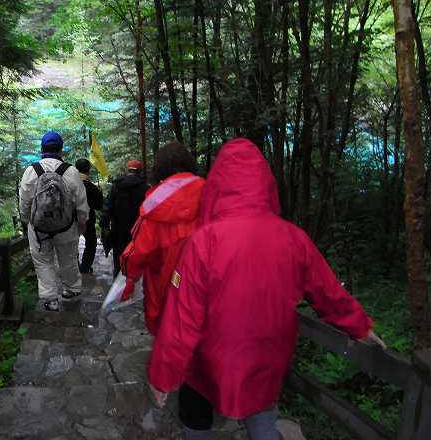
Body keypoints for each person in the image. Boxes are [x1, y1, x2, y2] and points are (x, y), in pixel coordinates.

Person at [147, 138, 386, 440]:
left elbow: (182, 319)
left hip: (210, 358)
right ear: (266, 184)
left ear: (216, 186)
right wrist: (360, 326)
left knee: (196, 413)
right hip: (266, 357)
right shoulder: (294, 238)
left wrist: (163, 376)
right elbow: (328, 293)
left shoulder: (204, 241)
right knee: (261, 413)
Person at [119, 142, 205, 335]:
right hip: (203, 282)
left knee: (170, 332)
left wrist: (130, 274)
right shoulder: (210, 192)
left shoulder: (156, 202)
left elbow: (140, 250)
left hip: (166, 283)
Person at [19, 131, 89, 312]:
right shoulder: (71, 171)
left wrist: (27, 220)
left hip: (39, 229)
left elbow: (25, 202)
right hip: (66, 226)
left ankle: (50, 299)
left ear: (42, 149)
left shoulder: (31, 171)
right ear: (60, 149)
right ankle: (71, 289)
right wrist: (82, 222)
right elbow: (81, 202)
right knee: (68, 259)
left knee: (43, 262)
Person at [100, 159, 149, 276]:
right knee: (136, 261)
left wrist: (104, 225)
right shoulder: (145, 187)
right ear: (140, 171)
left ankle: (118, 282)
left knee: (118, 260)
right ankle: (132, 282)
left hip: (118, 231)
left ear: (127, 170)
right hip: (138, 232)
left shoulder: (116, 186)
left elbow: (107, 207)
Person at [75, 158, 103, 274]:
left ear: (76, 169)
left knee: (71, 243)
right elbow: (99, 206)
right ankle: (85, 267)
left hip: (72, 219)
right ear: (88, 170)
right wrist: (100, 194)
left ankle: (75, 266)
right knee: (91, 243)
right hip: (88, 219)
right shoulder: (92, 187)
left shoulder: (70, 185)